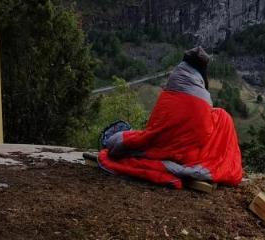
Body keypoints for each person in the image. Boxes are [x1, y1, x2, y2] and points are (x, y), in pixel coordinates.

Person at [97, 47, 243, 188]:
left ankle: (118, 139)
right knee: (223, 117)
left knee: (136, 140)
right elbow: (204, 129)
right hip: (185, 152)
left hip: (159, 140)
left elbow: (156, 122)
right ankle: (225, 159)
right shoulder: (202, 94)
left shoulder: (172, 84)